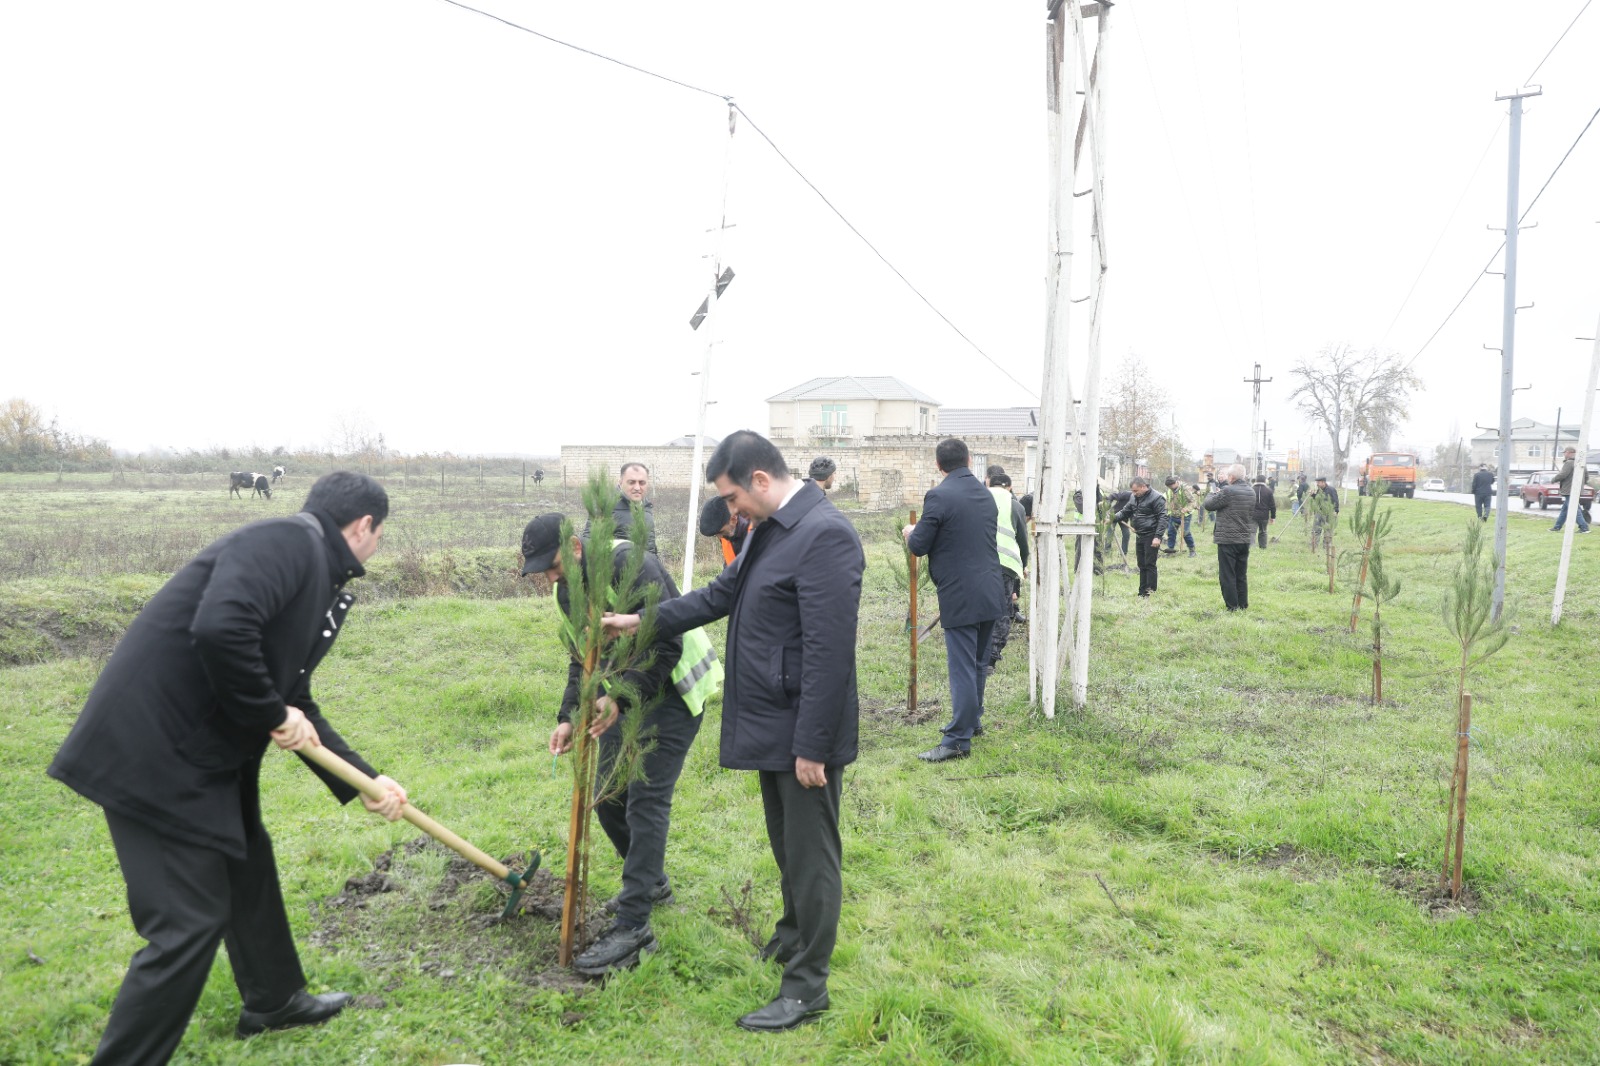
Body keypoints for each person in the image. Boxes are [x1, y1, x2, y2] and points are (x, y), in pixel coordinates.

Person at [47, 472, 409, 1065]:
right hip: (153, 754)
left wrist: (363, 778)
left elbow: (294, 696)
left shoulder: (314, 569)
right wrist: (270, 711)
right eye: (380, 535)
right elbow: (221, 628)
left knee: (246, 859)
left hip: (207, 750)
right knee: (187, 920)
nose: (377, 545)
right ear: (365, 526)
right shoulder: (285, 543)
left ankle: (274, 1000)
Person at [604, 431, 863, 1032]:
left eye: (731, 497)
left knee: (812, 854)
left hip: (802, 729)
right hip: (775, 718)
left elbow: (830, 652)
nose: (729, 511)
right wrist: (641, 621)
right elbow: (723, 594)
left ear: (761, 482)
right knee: (786, 845)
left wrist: (813, 745)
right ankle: (790, 936)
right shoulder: (772, 529)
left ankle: (806, 988)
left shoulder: (825, 536)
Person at [522, 513, 719, 978]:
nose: (548, 579)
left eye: (551, 567)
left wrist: (620, 696)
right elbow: (581, 659)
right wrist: (569, 717)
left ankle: (634, 926)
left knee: (645, 801)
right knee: (607, 796)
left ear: (574, 547)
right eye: (541, 573)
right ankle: (651, 885)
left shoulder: (630, 565)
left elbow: (665, 643)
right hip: (620, 697)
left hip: (673, 691)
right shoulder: (564, 591)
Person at [904, 439, 1010, 762]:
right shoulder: (986, 495)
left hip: (961, 594)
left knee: (962, 667)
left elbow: (919, 545)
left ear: (939, 465)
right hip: (992, 589)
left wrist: (910, 532)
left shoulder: (939, 495)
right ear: (968, 460)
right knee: (977, 663)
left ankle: (957, 741)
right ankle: (972, 721)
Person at [983, 470, 1029, 673]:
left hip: (977, 563)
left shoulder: (978, 498)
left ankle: (976, 650)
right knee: (1001, 611)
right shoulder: (1016, 505)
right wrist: (1023, 564)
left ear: (988, 484)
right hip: (1005, 565)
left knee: (979, 607)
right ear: (1009, 487)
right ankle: (991, 658)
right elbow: (1022, 542)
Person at [1202, 463, 1256, 610]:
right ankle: (1243, 604)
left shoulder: (1228, 490)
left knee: (1227, 575)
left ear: (1231, 477)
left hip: (1228, 539)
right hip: (1244, 538)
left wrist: (1213, 493)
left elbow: (1209, 505)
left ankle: (1232, 607)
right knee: (1240, 574)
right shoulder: (1251, 491)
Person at [584, 462, 658, 554]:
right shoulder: (605, 506)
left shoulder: (646, 506)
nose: (637, 487)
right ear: (620, 482)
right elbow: (588, 543)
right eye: (631, 482)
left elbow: (650, 546)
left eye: (642, 483)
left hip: (647, 566)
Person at [1113, 477, 1168, 597]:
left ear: (1143, 487)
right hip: (1139, 534)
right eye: (1133, 491)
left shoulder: (1157, 498)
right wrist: (1112, 517)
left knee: (1149, 564)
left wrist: (1158, 536)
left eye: (1136, 490)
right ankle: (1142, 592)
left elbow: (1163, 518)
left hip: (1151, 534)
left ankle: (1150, 592)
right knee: (1141, 564)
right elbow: (1125, 511)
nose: (1133, 493)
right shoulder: (1134, 497)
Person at [698, 494, 752, 568]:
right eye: (716, 534)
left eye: (720, 532)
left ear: (733, 519)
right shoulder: (727, 535)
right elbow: (729, 569)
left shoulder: (756, 534)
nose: (719, 537)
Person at [1548, 447, 1591, 533]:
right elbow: (1586, 477)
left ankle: (1584, 528)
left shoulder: (1569, 463)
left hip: (1569, 490)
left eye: (1564, 452)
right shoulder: (1581, 463)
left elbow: (1563, 474)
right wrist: (1581, 484)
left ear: (1569, 453)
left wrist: (1554, 479)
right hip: (1576, 490)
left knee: (1574, 509)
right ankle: (1557, 527)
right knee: (1565, 510)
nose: (1564, 454)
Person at [1161, 476, 1195, 557]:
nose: (1171, 488)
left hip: (1185, 515)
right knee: (1171, 533)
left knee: (1185, 533)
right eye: (1169, 487)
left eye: (1172, 486)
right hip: (1173, 515)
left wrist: (1186, 508)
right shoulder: (1169, 491)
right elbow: (1167, 502)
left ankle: (1192, 550)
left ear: (1176, 483)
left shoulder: (1184, 489)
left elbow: (1193, 502)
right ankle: (1170, 551)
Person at [1309, 476, 1341, 551]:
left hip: (1328, 513)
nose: (1317, 484)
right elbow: (1318, 499)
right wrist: (1313, 495)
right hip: (1319, 513)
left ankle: (1326, 548)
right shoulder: (1319, 490)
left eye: (1319, 482)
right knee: (1315, 529)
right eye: (1317, 482)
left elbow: (1336, 501)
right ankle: (1314, 546)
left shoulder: (1331, 490)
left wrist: (1336, 511)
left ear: (1323, 482)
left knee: (1328, 531)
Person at [1251, 475, 1277, 549]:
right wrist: (1273, 517)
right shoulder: (1269, 491)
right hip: (1264, 515)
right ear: (1265, 481)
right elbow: (1272, 505)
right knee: (1263, 531)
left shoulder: (1251, 489)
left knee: (1252, 532)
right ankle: (1263, 547)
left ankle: (1251, 547)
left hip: (1252, 515)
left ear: (1256, 480)